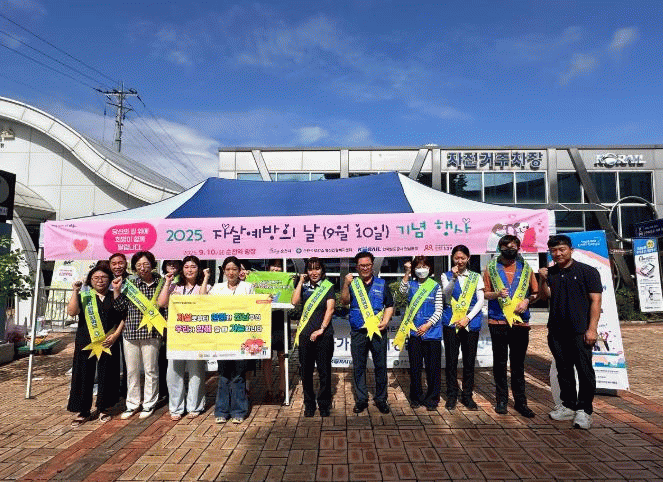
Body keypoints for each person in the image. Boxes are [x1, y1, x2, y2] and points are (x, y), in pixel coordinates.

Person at [539, 235, 602, 430]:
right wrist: (542, 280)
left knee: (584, 370)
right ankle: (568, 405)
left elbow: (596, 301)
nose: (558, 254)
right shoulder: (551, 272)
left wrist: (592, 329)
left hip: (580, 330)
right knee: (564, 369)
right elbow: (544, 297)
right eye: (554, 250)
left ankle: (584, 410)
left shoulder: (588, 271)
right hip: (557, 330)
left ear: (570, 250)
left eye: (562, 249)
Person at [483, 235, 539, 418]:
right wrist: (497, 294)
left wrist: (527, 301)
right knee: (499, 363)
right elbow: (485, 294)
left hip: (520, 322)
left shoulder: (526, 269)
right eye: (506, 246)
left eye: (513, 246)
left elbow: (535, 293)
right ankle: (501, 400)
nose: (510, 249)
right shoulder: (491, 268)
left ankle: (521, 402)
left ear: (518, 248)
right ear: (500, 248)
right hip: (498, 321)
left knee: (518, 364)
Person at [67, 262, 125, 425]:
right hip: (86, 341)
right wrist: (75, 291)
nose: (100, 280)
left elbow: (123, 316)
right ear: (90, 280)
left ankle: (104, 407)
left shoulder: (114, 295)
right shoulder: (84, 296)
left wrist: (116, 335)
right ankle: (83, 410)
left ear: (110, 279)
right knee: (83, 373)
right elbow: (72, 312)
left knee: (108, 373)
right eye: (96, 278)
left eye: (104, 277)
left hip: (109, 341)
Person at [112, 251, 165, 420]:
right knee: (132, 371)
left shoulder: (161, 283)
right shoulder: (129, 283)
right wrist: (116, 291)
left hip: (152, 333)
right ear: (134, 267)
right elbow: (120, 308)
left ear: (152, 265)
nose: (142, 268)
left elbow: (164, 307)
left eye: (146, 264)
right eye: (139, 265)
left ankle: (149, 403)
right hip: (131, 332)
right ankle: (132, 404)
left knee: (151, 370)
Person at [340, 251, 394, 414]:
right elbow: (344, 302)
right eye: (362, 265)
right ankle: (362, 399)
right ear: (357, 267)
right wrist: (345, 284)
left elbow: (389, 305)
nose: (365, 268)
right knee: (359, 366)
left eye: (368, 265)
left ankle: (381, 399)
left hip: (378, 331)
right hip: (358, 331)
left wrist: (386, 320)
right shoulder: (353, 283)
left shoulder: (382, 284)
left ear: (372, 265)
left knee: (380, 366)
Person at [158, 256, 211, 421]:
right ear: (182, 269)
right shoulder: (175, 287)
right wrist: (167, 282)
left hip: (196, 335)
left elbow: (204, 302)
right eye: (186, 266)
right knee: (174, 372)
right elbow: (162, 303)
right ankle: (176, 407)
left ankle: (195, 405)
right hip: (177, 335)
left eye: (193, 266)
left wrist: (206, 278)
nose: (189, 270)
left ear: (199, 269)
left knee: (196, 372)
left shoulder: (205, 286)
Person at [208, 256, 254, 424]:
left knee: (239, 374)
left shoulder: (248, 287)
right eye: (228, 269)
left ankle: (238, 411)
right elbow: (207, 307)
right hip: (222, 337)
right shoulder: (217, 288)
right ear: (223, 271)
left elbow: (254, 309)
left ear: (240, 271)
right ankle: (221, 410)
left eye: (234, 269)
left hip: (241, 337)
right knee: (223, 374)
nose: (231, 272)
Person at [441, 246, 485, 410]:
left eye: (462, 258)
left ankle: (467, 396)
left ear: (468, 258)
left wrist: (468, 318)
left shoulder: (476, 276)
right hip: (451, 323)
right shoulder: (446, 275)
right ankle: (452, 395)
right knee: (451, 361)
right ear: (452, 258)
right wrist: (453, 278)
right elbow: (446, 295)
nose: (459, 261)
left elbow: (481, 300)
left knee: (469, 361)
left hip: (470, 323)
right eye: (456, 258)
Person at [292, 258, 336, 417]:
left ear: (322, 270)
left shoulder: (328, 286)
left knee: (324, 371)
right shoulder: (303, 286)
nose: (314, 272)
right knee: (306, 372)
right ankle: (309, 404)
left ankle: (324, 404)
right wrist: (300, 282)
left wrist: (321, 329)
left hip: (324, 335)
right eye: (310, 269)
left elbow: (330, 309)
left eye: (317, 268)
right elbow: (294, 302)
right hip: (305, 335)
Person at [398, 256, 443, 410]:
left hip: (432, 332)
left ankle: (432, 399)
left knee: (433, 368)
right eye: (418, 267)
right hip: (414, 332)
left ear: (430, 268)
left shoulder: (435, 286)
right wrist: (407, 272)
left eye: (424, 266)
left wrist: (427, 325)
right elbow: (401, 291)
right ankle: (415, 397)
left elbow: (439, 310)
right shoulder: (411, 284)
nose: (421, 269)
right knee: (415, 368)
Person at [263, 259, 288, 402]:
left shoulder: (286, 280)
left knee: (282, 355)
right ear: (268, 267)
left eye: (279, 266)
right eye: (274, 265)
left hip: (281, 318)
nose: (276, 268)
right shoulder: (261, 280)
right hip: (265, 318)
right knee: (266, 356)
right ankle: (268, 389)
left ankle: (282, 389)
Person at [158, 260, 182, 403]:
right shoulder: (160, 282)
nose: (172, 266)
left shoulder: (183, 281)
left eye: (175, 263)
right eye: (169, 263)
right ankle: (163, 391)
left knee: (177, 363)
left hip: (180, 326)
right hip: (162, 325)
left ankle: (176, 393)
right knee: (162, 361)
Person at [109, 253, 129, 398]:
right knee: (111, 358)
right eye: (114, 263)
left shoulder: (132, 280)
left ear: (126, 264)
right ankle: (111, 389)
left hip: (126, 322)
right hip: (108, 323)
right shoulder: (105, 279)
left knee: (128, 360)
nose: (117, 266)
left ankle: (125, 388)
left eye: (120, 263)